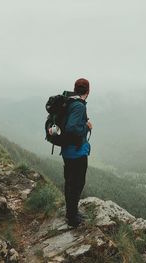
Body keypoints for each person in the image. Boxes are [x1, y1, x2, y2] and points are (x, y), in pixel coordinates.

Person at [61, 78, 92, 227]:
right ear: (88, 91)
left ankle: (71, 212)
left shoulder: (69, 101)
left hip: (68, 150)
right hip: (77, 152)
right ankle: (72, 217)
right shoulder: (79, 106)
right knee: (77, 183)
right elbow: (71, 128)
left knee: (70, 182)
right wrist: (87, 127)